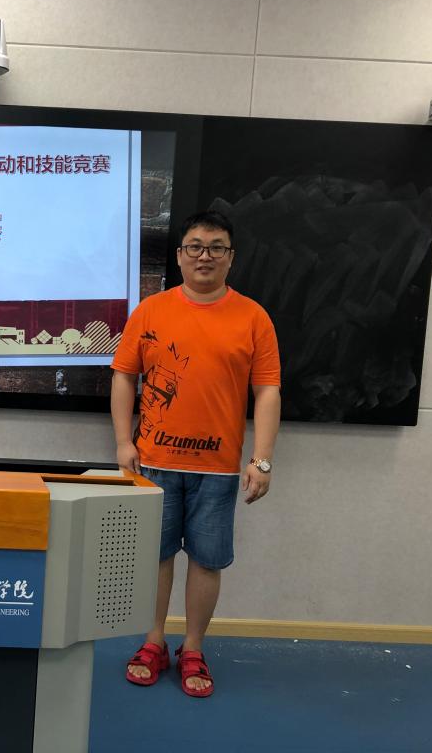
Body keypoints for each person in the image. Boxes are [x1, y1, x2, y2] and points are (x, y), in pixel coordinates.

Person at [109, 210, 281, 698]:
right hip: (154, 462)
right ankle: (153, 643)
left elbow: (267, 390)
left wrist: (262, 459)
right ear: (181, 255)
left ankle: (193, 648)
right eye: (195, 246)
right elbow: (123, 376)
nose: (205, 255)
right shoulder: (150, 311)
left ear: (231, 257)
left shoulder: (253, 317)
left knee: (207, 561)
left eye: (216, 247)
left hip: (219, 469)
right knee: (156, 557)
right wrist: (123, 443)